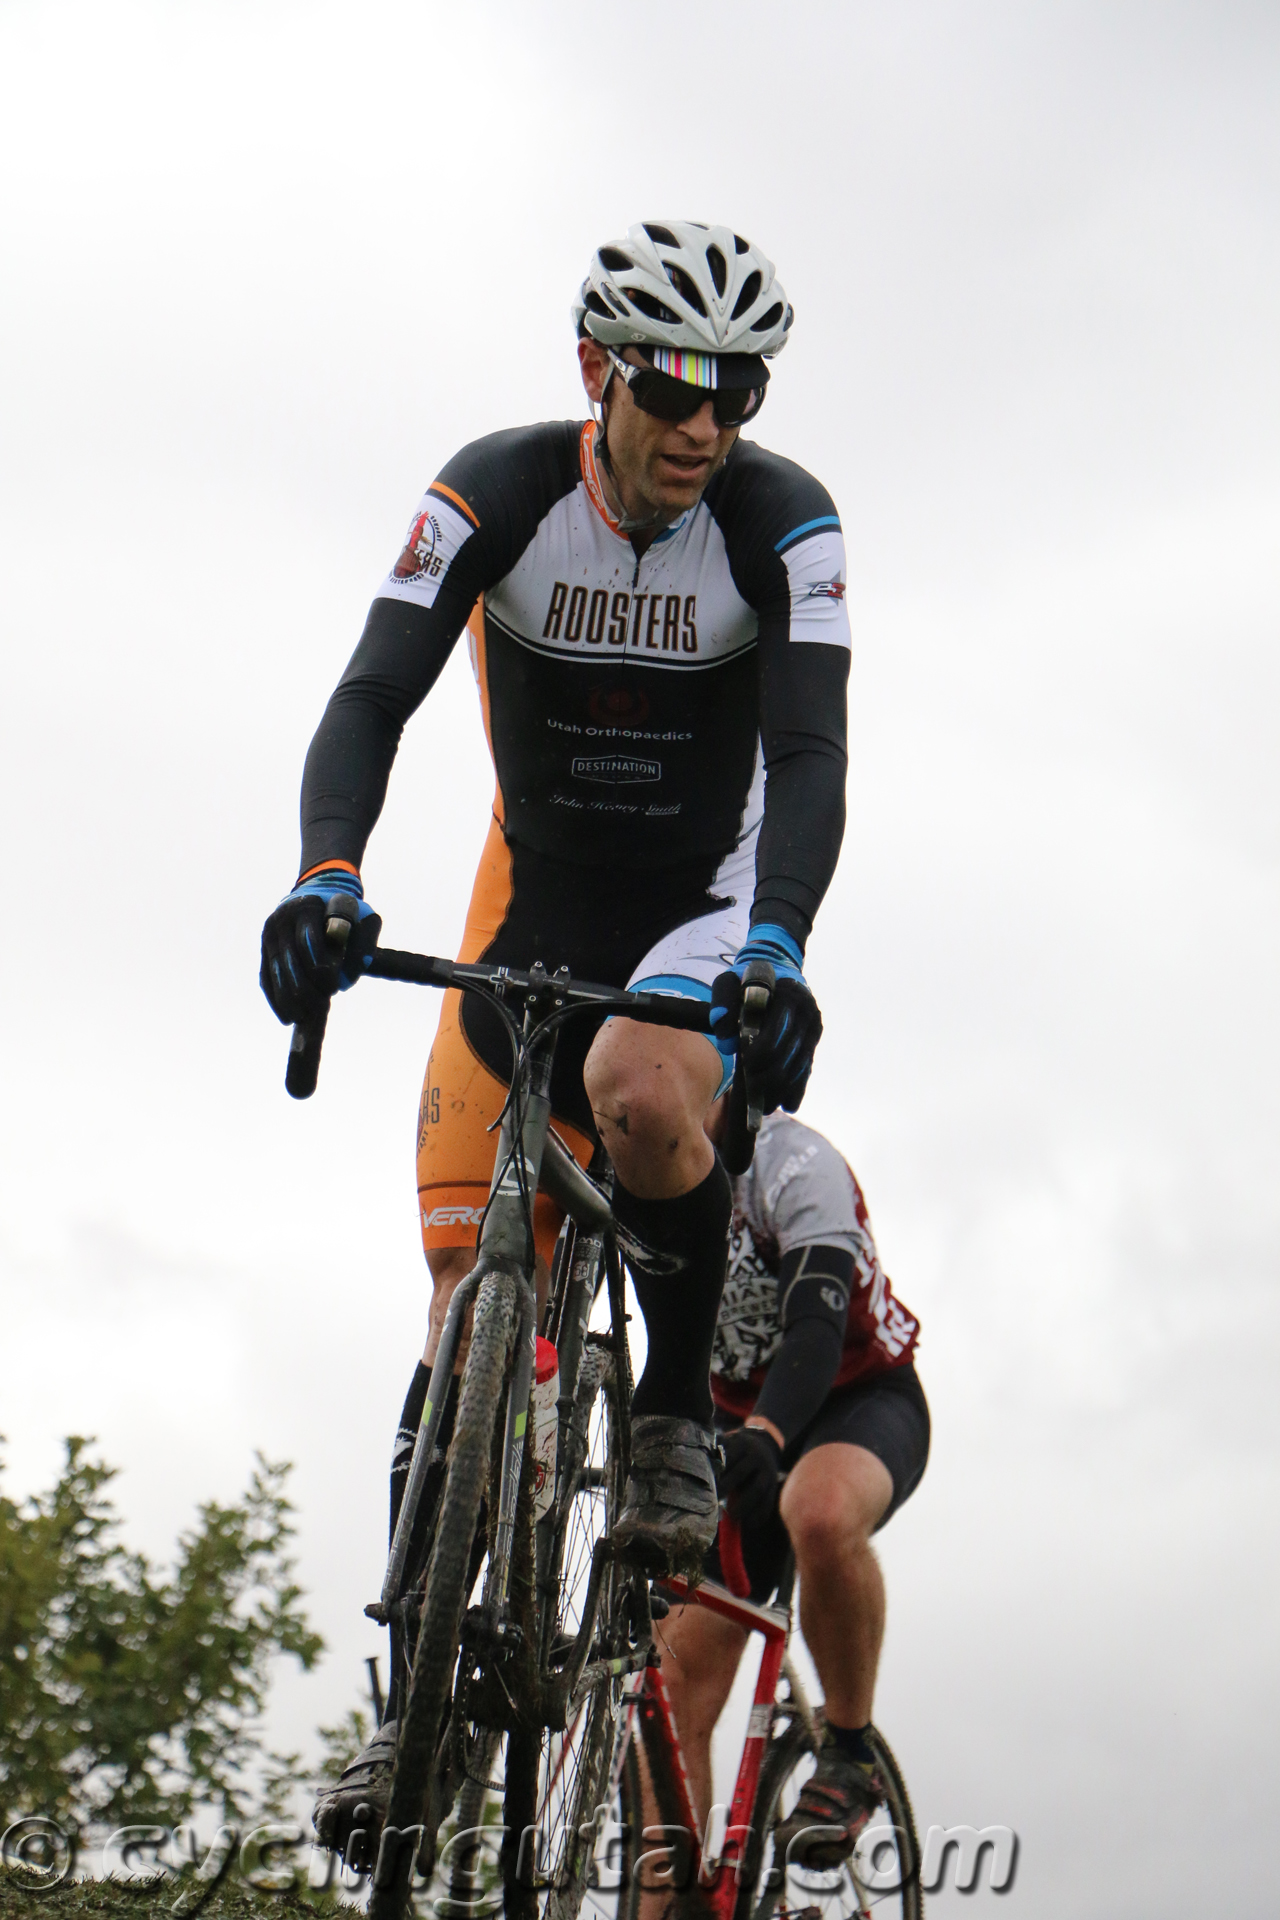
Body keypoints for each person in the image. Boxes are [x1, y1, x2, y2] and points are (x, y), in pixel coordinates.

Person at [258, 221, 852, 1848]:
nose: (708, 422)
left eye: (740, 390)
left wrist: (781, 944)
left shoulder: (779, 522)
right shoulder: (497, 489)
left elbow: (808, 753)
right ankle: (406, 1725)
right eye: (677, 386)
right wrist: (327, 876)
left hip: (698, 898)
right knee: (464, 1296)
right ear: (598, 371)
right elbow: (373, 690)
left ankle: (665, 1408)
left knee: (642, 1085)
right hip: (536, 897)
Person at [642, 1107, 927, 1884]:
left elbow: (815, 1328)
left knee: (818, 1510)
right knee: (667, 1696)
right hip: (738, 1431)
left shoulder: (795, 1167)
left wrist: (768, 1433)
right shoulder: (639, 1159)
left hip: (858, 1398)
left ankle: (847, 1750)